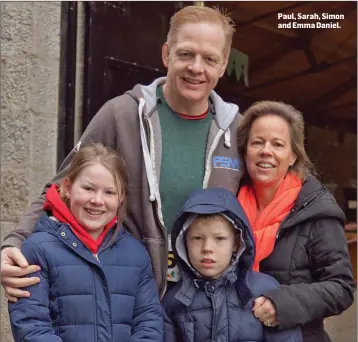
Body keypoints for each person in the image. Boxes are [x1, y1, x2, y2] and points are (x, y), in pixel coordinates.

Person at [1, 6, 243, 299]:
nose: (196, 67)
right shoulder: (121, 114)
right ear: (167, 54)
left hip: (207, 305)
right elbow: (60, 188)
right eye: (185, 54)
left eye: (209, 59)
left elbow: (275, 202)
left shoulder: (239, 132)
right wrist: (14, 242)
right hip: (127, 295)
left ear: (223, 64)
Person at [8, 143, 163, 342]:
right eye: (88, 188)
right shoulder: (37, 250)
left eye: (109, 192)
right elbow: (31, 326)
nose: (98, 200)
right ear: (68, 188)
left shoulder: (136, 254)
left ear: (121, 197)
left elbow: (149, 324)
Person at [236, 101, 355, 342]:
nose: (265, 151)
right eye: (257, 142)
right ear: (245, 151)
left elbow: (342, 288)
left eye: (277, 144)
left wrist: (283, 304)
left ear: (292, 156)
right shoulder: (229, 209)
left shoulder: (317, 211)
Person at [163, 187, 302, 342]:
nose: (207, 248)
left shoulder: (266, 291)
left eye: (219, 238)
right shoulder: (173, 302)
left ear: (236, 242)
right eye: (197, 238)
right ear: (184, 242)